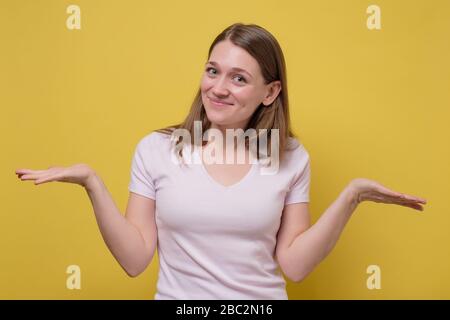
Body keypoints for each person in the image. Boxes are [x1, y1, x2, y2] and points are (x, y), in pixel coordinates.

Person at [15, 23, 427, 300]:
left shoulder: (289, 157)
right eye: (213, 71)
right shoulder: (157, 150)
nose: (219, 88)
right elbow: (135, 259)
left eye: (239, 78)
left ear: (270, 92)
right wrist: (93, 183)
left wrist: (351, 197)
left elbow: (295, 266)